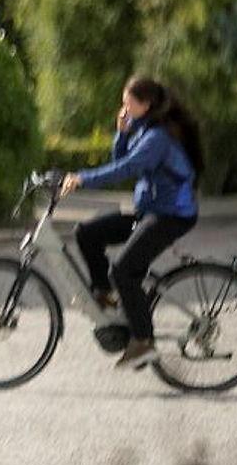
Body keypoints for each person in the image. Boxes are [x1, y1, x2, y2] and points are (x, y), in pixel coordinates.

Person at [63, 76, 204, 369]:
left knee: (124, 271)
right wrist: (122, 133)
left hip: (172, 216)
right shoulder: (144, 130)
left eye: (128, 103)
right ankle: (107, 296)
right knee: (86, 233)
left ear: (146, 104)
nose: (124, 108)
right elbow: (122, 159)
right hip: (150, 211)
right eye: (123, 103)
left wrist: (82, 179)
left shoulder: (157, 138)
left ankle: (143, 342)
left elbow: (127, 168)